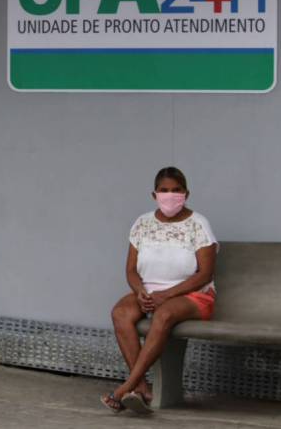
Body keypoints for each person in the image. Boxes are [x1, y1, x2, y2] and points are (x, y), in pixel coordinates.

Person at [101, 167, 218, 414]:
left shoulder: (199, 224)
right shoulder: (142, 224)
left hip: (192, 296)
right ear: (154, 195)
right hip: (150, 294)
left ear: (186, 193)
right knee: (120, 313)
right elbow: (131, 270)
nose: (170, 195)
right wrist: (140, 291)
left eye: (176, 190)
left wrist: (166, 295)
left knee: (164, 314)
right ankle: (142, 388)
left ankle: (126, 388)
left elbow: (205, 274)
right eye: (164, 190)